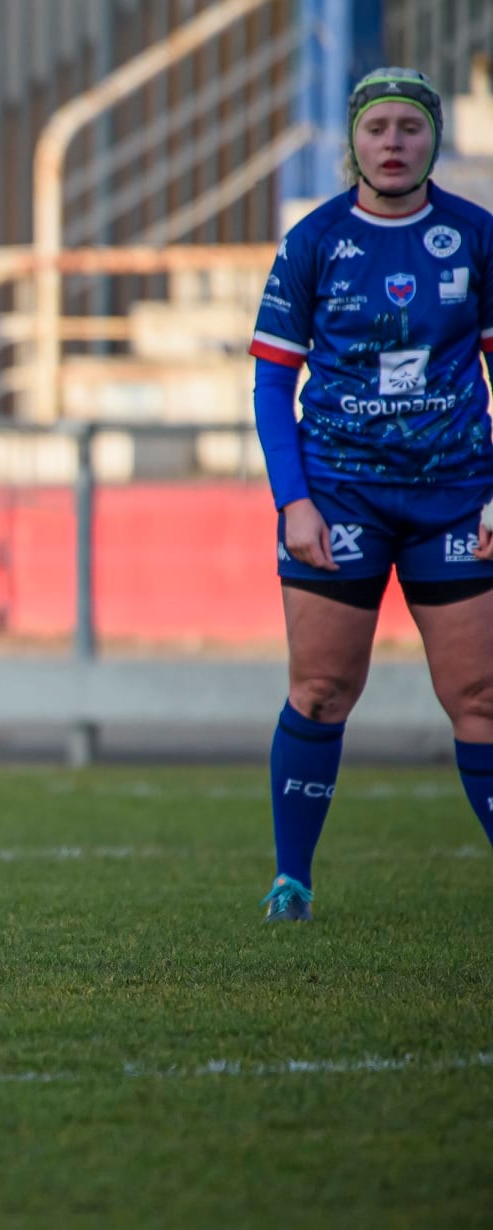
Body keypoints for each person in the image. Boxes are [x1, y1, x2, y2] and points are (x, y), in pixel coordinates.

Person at [249, 68, 493, 922]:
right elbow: (272, 384)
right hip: (340, 497)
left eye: (410, 128)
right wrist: (294, 500)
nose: (393, 143)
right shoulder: (314, 240)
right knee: (320, 691)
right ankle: (292, 881)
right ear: (352, 139)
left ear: (434, 139)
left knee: (480, 697)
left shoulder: (474, 235)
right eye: (378, 127)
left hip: (458, 500)